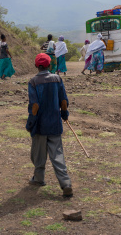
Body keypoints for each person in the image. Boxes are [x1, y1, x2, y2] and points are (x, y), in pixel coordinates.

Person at [25, 53, 73, 198]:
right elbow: (63, 101)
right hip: (54, 124)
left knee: (38, 154)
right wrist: (64, 115)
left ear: (36, 66)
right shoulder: (57, 79)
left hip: (40, 125)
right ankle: (66, 184)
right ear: (49, 65)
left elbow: (34, 106)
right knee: (57, 155)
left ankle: (39, 179)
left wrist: (30, 123)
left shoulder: (33, 82)